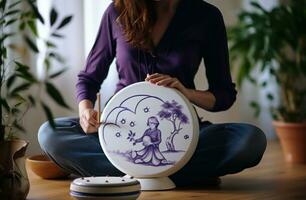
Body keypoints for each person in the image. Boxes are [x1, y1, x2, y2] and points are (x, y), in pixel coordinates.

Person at [38, 0, 267, 186]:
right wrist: (86, 112)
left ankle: (133, 173)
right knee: (50, 133)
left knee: (250, 140)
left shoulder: (207, 16)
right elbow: (88, 79)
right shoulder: (117, 11)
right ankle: (180, 173)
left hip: (183, 134)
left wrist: (187, 93)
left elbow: (224, 94)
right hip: (118, 134)